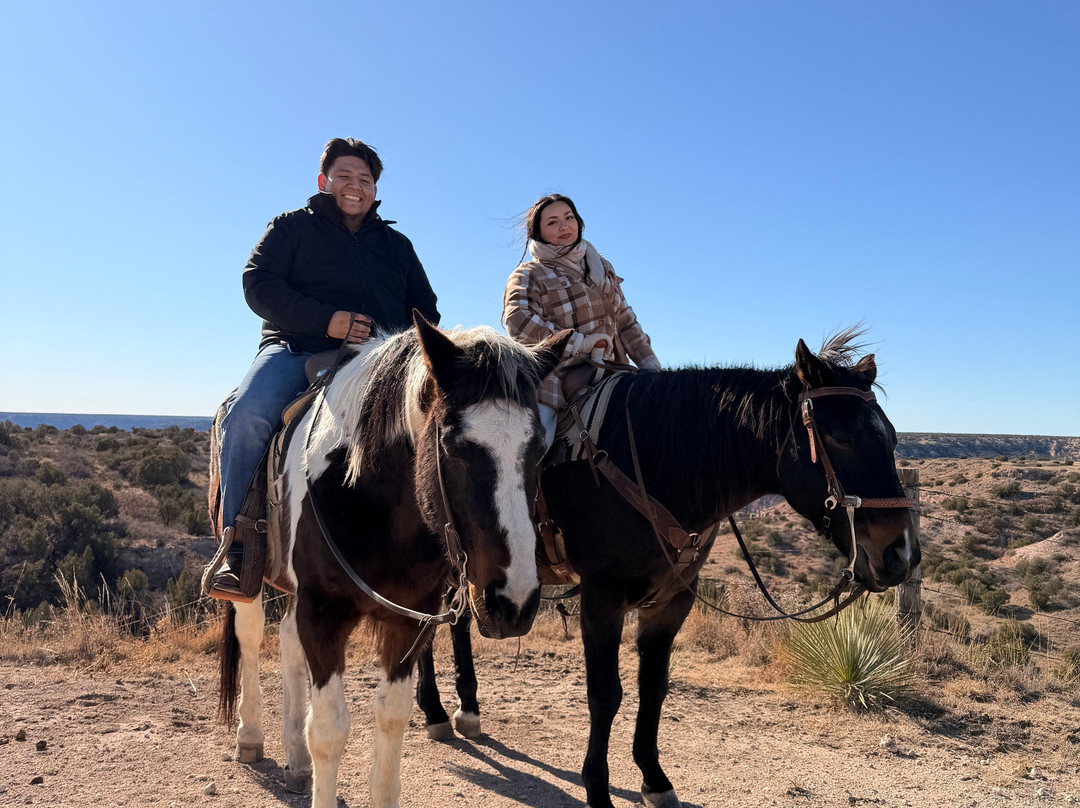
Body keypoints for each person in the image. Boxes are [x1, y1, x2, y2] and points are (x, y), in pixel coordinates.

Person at [207, 137, 440, 600]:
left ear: (376, 189)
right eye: (345, 177)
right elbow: (257, 284)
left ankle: (442, 548)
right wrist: (325, 321)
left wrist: (403, 347)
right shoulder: (291, 228)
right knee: (248, 416)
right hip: (295, 349)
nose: (355, 187)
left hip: (382, 363)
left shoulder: (397, 246)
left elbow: (426, 310)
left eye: (365, 180)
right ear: (323, 181)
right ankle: (239, 547)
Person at [502, 194, 659, 446]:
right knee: (535, 446)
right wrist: (578, 343)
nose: (564, 227)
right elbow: (517, 320)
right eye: (552, 222)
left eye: (569, 217)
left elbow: (626, 322)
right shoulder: (530, 273)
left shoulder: (601, 268)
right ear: (539, 231)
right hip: (555, 381)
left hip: (612, 371)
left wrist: (651, 368)